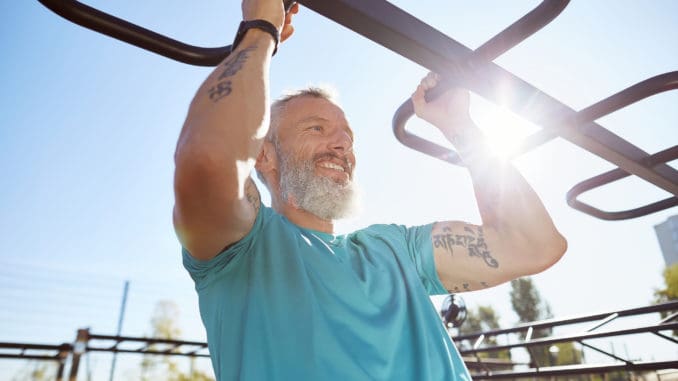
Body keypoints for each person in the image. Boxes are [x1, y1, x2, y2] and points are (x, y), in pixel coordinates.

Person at [172, 0, 567, 380]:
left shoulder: (394, 249)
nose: (342, 144)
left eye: (348, 136)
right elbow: (209, 156)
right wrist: (260, 30)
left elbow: (534, 244)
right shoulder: (242, 250)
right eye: (317, 129)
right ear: (264, 155)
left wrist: (459, 126)